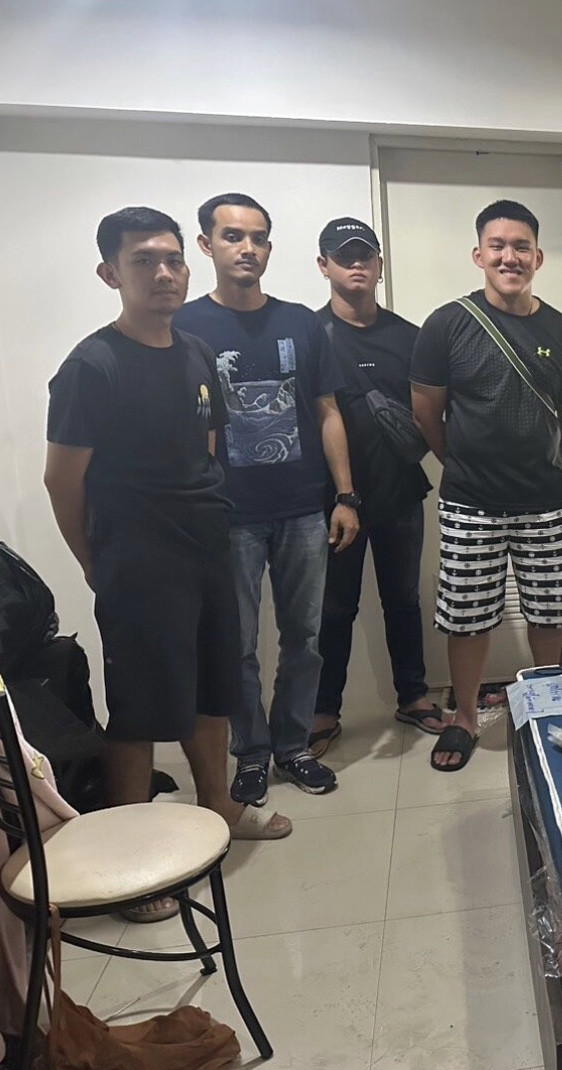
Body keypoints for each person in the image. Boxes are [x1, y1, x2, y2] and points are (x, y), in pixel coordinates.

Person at [44, 207, 291, 921]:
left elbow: (205, 448)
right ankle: (132, 867)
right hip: (138, 560)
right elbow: (61, 480)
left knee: (215, 689)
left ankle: (219, 809)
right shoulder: (92, 367)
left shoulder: (196, 352)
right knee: (141, 710)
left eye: (172, 259)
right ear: (110, 273)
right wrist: (95, 561)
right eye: (143, 260)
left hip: (207, 546)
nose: (162, 273)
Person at [174, 193, 356, 805]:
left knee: (306, 637)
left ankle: (293, 746)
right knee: (238, 645)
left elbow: (327, 411)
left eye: (257, 238)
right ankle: (250, 753)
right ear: (207, 245)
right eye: (232, 236)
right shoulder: (186, 327)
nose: (246, 248)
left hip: (303, 508)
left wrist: (346, 496)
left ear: (270, 249)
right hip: (228, 515)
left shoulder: (301, 323)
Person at [411, 200, 562, 772]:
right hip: (470, 502)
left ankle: (545, 708)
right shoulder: (447, 325)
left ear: (538, 257)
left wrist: (530, 450)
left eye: (521, 247)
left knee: (550, 615)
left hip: (545, 499)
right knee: (467, 619)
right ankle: (466, 717)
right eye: (498, 246)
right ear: (479, 255)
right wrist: (463, 460)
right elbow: (427, 412)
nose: (509, 257)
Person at [309, 217, 441, 757]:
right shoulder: (309, 335)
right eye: (344, 256)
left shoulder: (411, 337)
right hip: (332, 501)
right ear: (324, 266)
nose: (356, 265)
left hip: (400, 494)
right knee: (334, 608)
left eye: (365, 255)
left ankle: (413, 696)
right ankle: (323, 710)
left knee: (403, 601)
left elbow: (434, 411)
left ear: (380, 265)